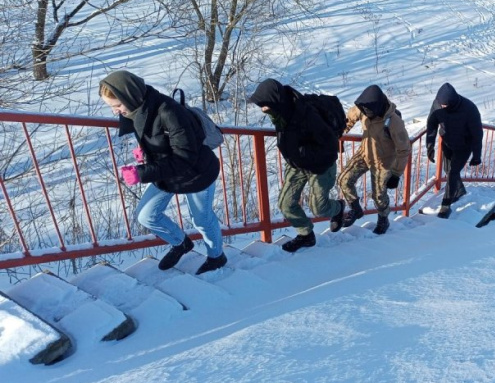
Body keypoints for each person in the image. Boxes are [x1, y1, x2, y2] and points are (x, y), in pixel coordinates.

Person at [99, 71, 227, 275]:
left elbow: (184, 157)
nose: (115, 112)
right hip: (168, 173)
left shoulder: (170, 112)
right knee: (146, 215)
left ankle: (216, 256)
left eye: (117, 105)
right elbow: (161, 139)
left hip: (197, 172)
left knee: (201, 219)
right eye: (112, 107)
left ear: (129, 96)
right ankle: (181, 243)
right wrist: (146, 151)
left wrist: (142, 173)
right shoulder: (137, 110)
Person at [248, 79, 344, 252]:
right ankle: (306, 235)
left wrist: (304, 154)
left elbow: (330, 145)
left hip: (320, 165)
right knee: (286, 204)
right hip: (298, 164)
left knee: (319, 208)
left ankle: (338, 208)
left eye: (264, 105)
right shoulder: (280, 113)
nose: (262, 109)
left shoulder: (306, 115)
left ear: (275, 101)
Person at [337, 85, 411, 235]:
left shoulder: (394, 122)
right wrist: (340, 135)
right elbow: (348, 118)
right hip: (365, 153)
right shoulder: (364, 107)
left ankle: (383, 218)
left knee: (378, 196)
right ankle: (355, 208)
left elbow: (404, 149)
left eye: (366, 112)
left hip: (383, 163)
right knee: (343, 180)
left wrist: (396, 174)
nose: (363, 114)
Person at [426, 83, 483, 218]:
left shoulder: (469, 108)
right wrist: (429, 146)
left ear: (453, 101)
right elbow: (431, 124)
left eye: (446, 105)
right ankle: (459, 191)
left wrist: (476, 155)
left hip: (464, 146)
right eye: (441, 105)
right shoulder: (437, 104)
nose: (443, 107)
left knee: (453, 172)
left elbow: (477, 134)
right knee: (448, 170)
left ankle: (446, 204)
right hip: (447, 142)